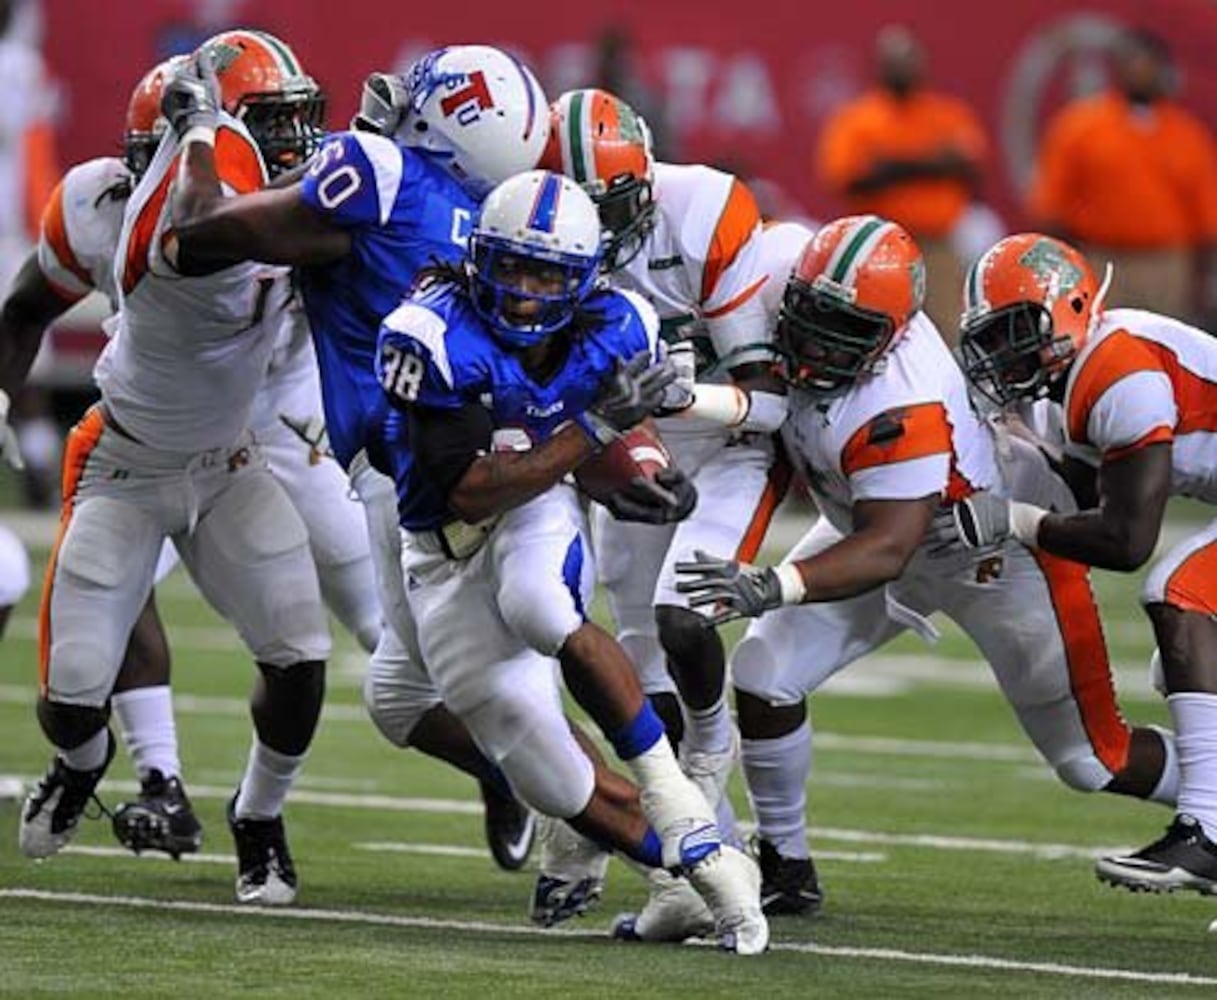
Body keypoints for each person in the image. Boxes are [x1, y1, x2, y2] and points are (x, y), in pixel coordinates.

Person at [674, 216, 1180, 916]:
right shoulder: (785, 284)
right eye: (811, 316)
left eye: (843, 328)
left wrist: (774, 583)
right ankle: (785, 865)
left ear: (889, 337)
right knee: (764, 677)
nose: (817, 343)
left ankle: (1209, 799)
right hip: (872, 519)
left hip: (987, 550)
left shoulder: (902, 402)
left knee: (1092, 760)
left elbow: (890, 548)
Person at [375, 167, 767, 954]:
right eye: (511, 265)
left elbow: (604, 438)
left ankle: (678, 803)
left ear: (581, 280)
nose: (522, 291)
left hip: (533, 510)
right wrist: (596, 433)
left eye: (544, 273)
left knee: (541, 606)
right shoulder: (430, 333)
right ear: (478, 257)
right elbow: (468, 489)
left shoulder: (618, 323)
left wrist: (644, 471)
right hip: (443, 549)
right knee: (552, 783)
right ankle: (696, 870)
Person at [16, 29, 335, 908]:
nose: (292, 145)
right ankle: (83, 765)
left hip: (231, 460)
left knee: (301, 655)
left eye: (291, 120)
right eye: (266, 124)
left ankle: (259, 817)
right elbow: (26, 306)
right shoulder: (156, 216)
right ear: (188, 138)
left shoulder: (277, 196)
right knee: (71, 699)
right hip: (124, 464)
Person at [543, 88, 791, 838]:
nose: (602, 227)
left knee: (683, 620)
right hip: (621, 449)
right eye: (583, 210)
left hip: (726, 447)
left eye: (612, 204)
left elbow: (769, 402)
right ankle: (702, 846)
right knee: (637, 661)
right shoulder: (537, 229)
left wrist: (686, 398)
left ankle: (715, 736)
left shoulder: (705, 209)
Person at [944, 232, 1217, 893]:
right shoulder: (1067, 379)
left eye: (1014, 329)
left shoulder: (1117, 367)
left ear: (1068, 307)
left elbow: (1125, 541)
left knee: (1177, 594)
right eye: (990, 336)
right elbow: (1089, 493)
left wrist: (1015, 520)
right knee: (1182, 659)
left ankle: (1207, 830)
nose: (1000, 352)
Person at [1028, 29, 1217, 321]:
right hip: (1101, 257)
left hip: (1166, 264)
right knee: (1102, 340)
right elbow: (1050, 204)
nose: (1139, 70)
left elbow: (1206, 217)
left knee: (1165, 346)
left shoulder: (1187, 134)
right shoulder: (1081, 125)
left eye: (1147, 62)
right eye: (1132, 61)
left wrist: (1203, 278)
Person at [815, 25, 987, 340]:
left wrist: (893, 166)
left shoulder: (946, 114)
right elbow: (850, 179)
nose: (903, 68)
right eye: (895, 61)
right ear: (880, 66)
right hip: (879, 248)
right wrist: (930, 164)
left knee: (950, 331)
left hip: (937, 246)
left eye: (908, 60)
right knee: (876, 328)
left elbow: (969, 165)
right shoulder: (858, 118)